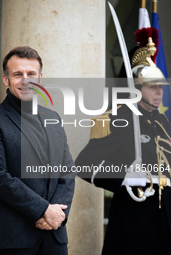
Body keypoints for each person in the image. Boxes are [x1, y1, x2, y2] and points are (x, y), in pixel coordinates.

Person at [0, 46, 75, 255]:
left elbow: (67, 172)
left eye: (31, 74)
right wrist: (43, 210)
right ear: (6, 79)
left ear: (40, 77)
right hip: (12, 238)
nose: (25, 80)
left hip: (54, 237)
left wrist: (57, 215)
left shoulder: (53, 118)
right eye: (17, 74)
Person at [75, 37, 171, 255]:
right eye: (152, 87)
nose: (160, 92)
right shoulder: (116, 119)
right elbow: (84, 164)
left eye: (161, 87)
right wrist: (124, 176)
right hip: (136, 219)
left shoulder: (162, 122)